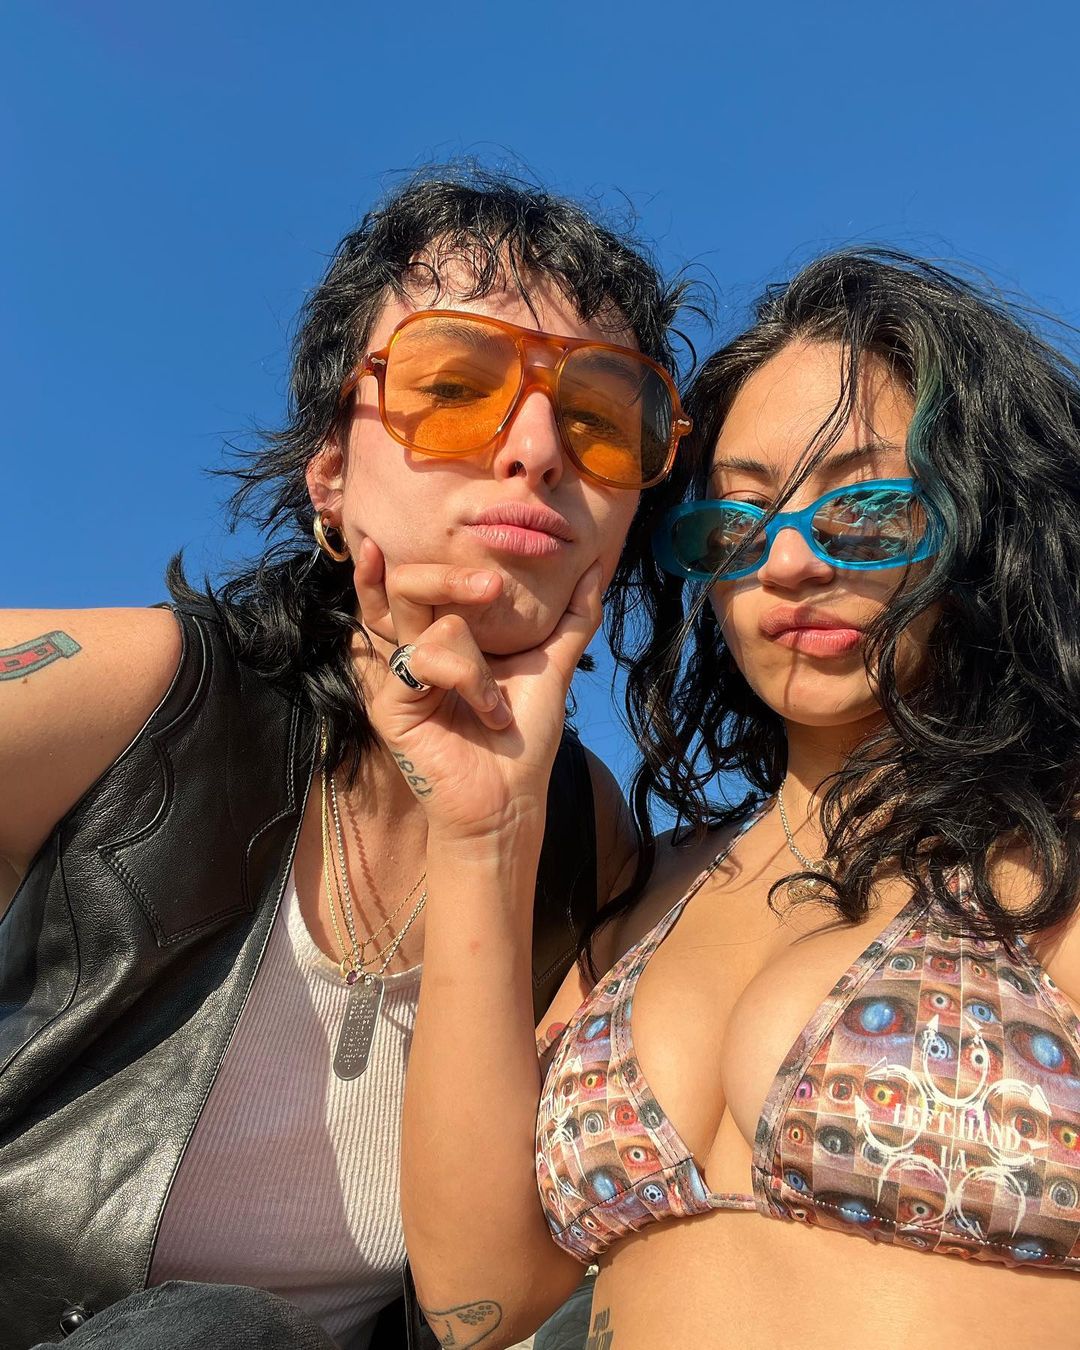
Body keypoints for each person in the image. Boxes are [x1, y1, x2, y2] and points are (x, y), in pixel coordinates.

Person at [0, 165, 692, 1350]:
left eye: (600, 420)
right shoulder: (150, 694)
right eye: (455, 387)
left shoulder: (587, 840)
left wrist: (491, 832)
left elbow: (486, 1317)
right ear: (330, 469)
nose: (536, 450)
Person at [371, 248, 1080, 1348]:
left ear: (994, 517)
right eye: (740, 522)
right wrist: (481, 830)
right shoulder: (655, 891)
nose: (788, 563)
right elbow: (480, 1301)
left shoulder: (1056, 851)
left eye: (868, 508)